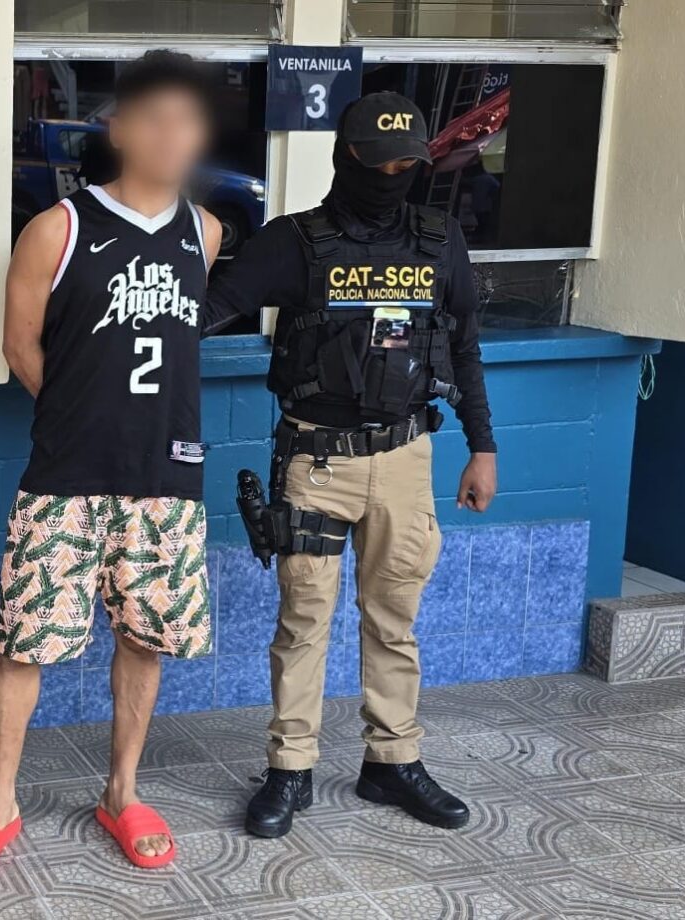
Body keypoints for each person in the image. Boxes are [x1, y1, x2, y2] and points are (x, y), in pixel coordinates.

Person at [0, 50, 221, 877]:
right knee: (24, 645)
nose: (171, 135)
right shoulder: (58, 229)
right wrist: (82, 417)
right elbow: (19, 346)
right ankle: (0, 802)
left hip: (165, 481)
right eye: (155, 117)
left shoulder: (205, 232)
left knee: (144, 641)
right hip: (66, 478)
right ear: (119, 128)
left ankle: (122, 792)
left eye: (187, 120)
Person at [202, 92, 497, 839]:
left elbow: (463, 347)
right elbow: (203, 312)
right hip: (316, 462)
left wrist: (483, 447)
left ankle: (391, 761)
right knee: (303, 622)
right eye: (379, 163)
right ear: (346, 158)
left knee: (394, 620)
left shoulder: (440, 241)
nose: (393, 177)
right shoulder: (293, 242)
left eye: (408, 165)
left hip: (405, 458)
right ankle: (290, 768)